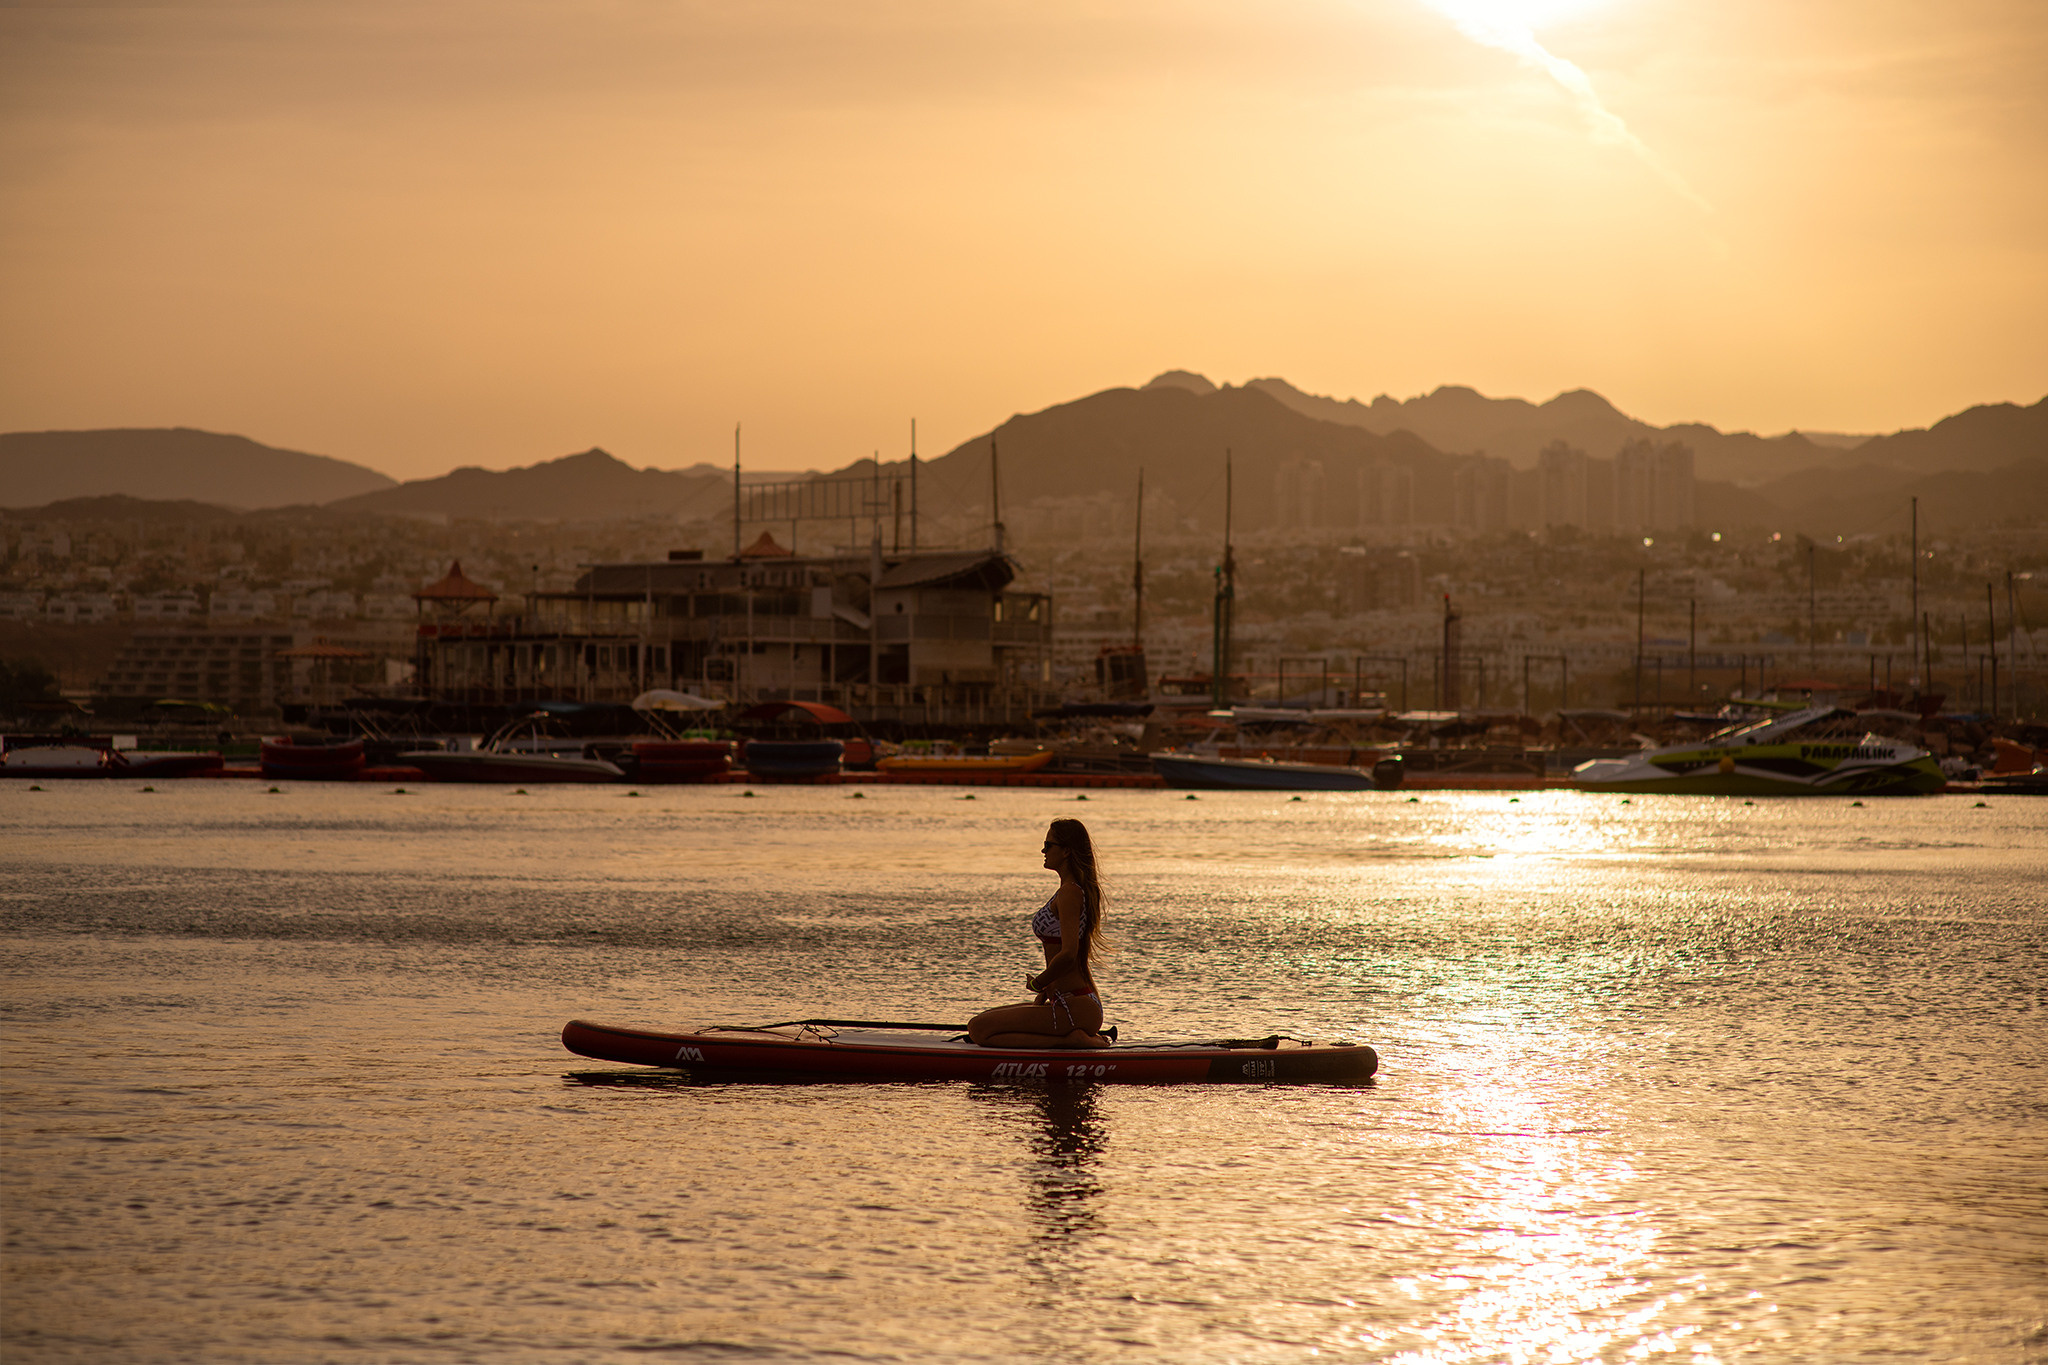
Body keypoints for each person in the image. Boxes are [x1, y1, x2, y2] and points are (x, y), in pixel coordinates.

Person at [967, 818, 1112, 1049]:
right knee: (982, 1021)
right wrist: (1046, 989)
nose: (1043, 851)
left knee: (979, 1029)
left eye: (1048, 845)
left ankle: (1071, 1040)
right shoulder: (1069, 891)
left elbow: (1068, 954)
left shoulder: (1070, 893)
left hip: (1075, 1005)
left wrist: (1038, 983)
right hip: (1068, 1001)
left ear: (1066, 851)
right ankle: (1070, 1039)